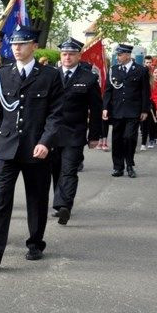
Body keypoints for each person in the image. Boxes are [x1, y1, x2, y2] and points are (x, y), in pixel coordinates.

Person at [0, 25, 63, 268]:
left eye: (22, 44)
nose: (17, 48)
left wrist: (46, 142)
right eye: (13, 44)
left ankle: (35, 242)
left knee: (36, 199)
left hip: (36, 147)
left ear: (34, 46)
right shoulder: (3, 73)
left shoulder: (50, 76)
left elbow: (56, 115)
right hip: (6, 146)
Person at [49, 38, 102, 225]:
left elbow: (96, 109)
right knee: (56, 170)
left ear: (79, 56)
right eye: (64, 54)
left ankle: (65, 205)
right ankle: (59, 203)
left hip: (74, 132)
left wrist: (94, 135)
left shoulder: (88, 78)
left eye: (71, 54)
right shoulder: (51, 75)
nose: (67, 57)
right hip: (52, 134)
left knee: (69, 170)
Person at [102, 44, 150, 178]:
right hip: (117, 110)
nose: (117, 57)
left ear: (128, 55)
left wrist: (145, 110)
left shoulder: (141, 70)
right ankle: (118, 167)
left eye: (120, 55)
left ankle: (129, 164)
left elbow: (145, 91)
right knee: (117, 139)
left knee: (129, 137)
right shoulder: (114, 70)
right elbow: (108, 91)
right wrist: (105, 107)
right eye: (117, 55)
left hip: (133, 110)